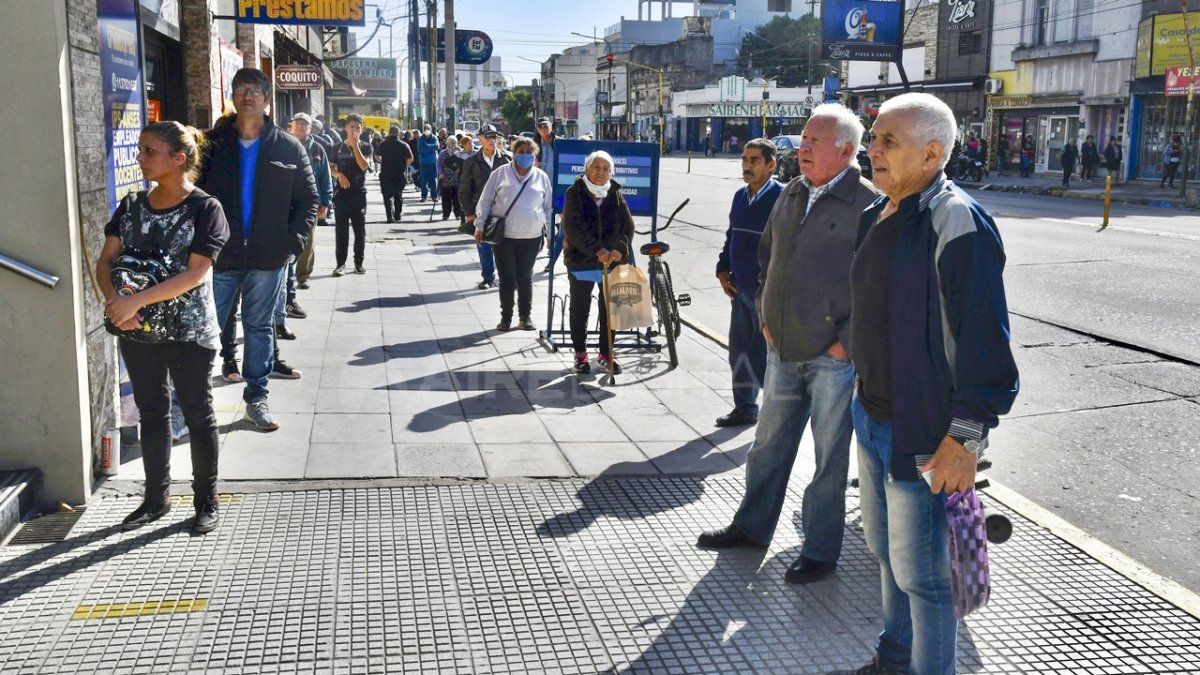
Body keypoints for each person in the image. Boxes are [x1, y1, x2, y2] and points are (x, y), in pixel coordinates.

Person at [842, 92, 1018, 675]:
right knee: (886, 554)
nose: (873, 149)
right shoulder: (878, 212)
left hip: (925, 429)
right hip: (871, 414)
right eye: (873, 138)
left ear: (932, 153)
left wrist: (965, 437)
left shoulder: (956, 220)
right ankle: (895, 656)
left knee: (925, 577)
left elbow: (986, 341)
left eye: (888, 141)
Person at [697, 105, 878, 590]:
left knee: (828, 460)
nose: (802, 148)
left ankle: (819, 550)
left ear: (846, 149)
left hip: (833, 359)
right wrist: (765, 316)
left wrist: (845, 344)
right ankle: (752, 528)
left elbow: (878, 286)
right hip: (782, 348)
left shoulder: (867, 202)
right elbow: (766, 258)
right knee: (767, 446)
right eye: (803, 139)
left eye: (815, 141)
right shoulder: (792, 192)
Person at [97, 121, 229, 534]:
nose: (140, 157)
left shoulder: (206, 208)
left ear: (178, 159)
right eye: (140, 150)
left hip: (190, 331)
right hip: (137, 329)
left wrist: (134, 302)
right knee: (152, 412)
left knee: (197, 413)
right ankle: (155, 499)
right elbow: (106, 261)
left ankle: (206, 500)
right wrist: (117, 303)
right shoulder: (131, 205)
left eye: (149, 151)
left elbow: (195, 273)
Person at [198, 67, 317, 431]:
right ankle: (193, 403)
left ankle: (257, 399)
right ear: (232, 97)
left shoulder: (287, 146)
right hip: (219, 255)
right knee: (206, 328)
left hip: (268, 257)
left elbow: (308, 200)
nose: (247, 96)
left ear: (267, 99)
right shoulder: (212, 144)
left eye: (254, 90)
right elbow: (193, 194)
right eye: (241, 90)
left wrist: (292, 245)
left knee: (259, 327)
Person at [712, 138, 783, 428]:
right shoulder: (740, 196)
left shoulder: (782, 197)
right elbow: (732, 235)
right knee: (740, 351)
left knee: (767, 355)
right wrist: (723, 268)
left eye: (754, 160)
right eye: (744, 159)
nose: (747, 165)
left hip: (766, 290)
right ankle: (745, 408)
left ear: (771, 164)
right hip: (739, 287)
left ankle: (778, 412)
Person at [561, 151, 635, 375]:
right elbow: (572, 228)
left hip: (610, 263)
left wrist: (619, 249)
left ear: (611, 173)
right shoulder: (575, 192)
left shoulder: (615, 193)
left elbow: (627, 227)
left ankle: (606, 354)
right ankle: (580, 355)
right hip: (581, 261)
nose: (600, 172)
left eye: (606, 169)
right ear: (586, 169)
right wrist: (596, 249)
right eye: (596, 167)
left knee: (610, 311)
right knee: (580, 308)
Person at [473, 136, 552, 331]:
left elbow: (548, 207)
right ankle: (506, 318)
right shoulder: (500, 173)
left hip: (531, 236)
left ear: (534, 155)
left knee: (525, 277)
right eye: (521, 152)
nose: (524, 155)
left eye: (528, 152)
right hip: (504, 236)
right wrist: (479, 225)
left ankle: (525, 317)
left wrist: (551, 233)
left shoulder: (541, 177)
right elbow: (485, 200)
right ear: (514, 153)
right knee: (507, 278)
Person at [460, 124, 510, 290]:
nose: (491, 140)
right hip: (482, 211)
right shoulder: (471, 162)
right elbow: (464, 190)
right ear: (480, 139)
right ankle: (488, 277)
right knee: (484, 246)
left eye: (494, 137)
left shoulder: (507, 159)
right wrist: (469, 213)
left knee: (505, 246)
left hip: (504, 211)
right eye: (488, 136)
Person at [287, 112, 331, 295]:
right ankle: (286, 274)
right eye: (297, 123)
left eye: (304, 124)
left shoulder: (318, 149)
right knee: (286, 239)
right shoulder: (284, 145)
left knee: (308, 240)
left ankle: (303, 276)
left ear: (310, 128)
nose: (300, 127)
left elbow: (325, 177)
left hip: (310, 203)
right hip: (286, 201)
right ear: (291, 126)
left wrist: (326, 202)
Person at [329, 113, 373, 276]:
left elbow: (364, 166)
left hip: (358, 194)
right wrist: (339, 175)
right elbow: (330, 167)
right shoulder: (337, 147)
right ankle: (340, 264)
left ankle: (358, 263)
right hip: (341, 195)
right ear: (346, 127)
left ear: (361, 129)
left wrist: (355, 146)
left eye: (357, 127)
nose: (354, 130)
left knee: (359, 231)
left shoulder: (366, 146)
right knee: (341, 231)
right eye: (352, 127)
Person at [534, 117, 565, 269]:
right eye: (540, 126)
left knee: (561, 217)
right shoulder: (534, 144)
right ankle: (548, 241)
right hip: (540, 186)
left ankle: (553, 241)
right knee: (542, 217)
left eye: (546, 126)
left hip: (557, 186)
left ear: (551, 127)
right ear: (537, 129)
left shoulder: (558, 142)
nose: (543, 128)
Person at [379, 125, 413, 223]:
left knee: (387, 195)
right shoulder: (404, 144)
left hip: (386, 172)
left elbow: (376, 155)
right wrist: (403, 165)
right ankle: (397, 215)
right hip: (399, 172)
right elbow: (410, 158)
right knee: (398, 193)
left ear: (389, 133)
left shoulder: (383, 144)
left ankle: (389, 216)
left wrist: (382, 161)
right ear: (398, 133)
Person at [437, 136, 466, 221]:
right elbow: (439, 164)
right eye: (451, 143)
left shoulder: (460, 152)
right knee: (446, 197)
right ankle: (446, 214)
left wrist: (460, 151)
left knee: (457, 197)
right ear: (447, 143)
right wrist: (440, 173)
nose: (452, 144)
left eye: (454, 143)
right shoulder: (443, 153)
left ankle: (458, 214)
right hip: (446, 178)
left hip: (457, 178)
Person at [418, 125, 441, 201]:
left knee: (434, 179)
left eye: (428, 129)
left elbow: (436, 146)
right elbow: (420, 149)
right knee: (423, 180)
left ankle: (434, 196)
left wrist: (426, 145)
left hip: (433, 162)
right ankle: (424, 196)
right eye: (425, 129)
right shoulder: (421, 138)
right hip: (423, 162)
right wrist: (430, 148)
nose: (426, 130)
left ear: (431, 130)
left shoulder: (434, 138)